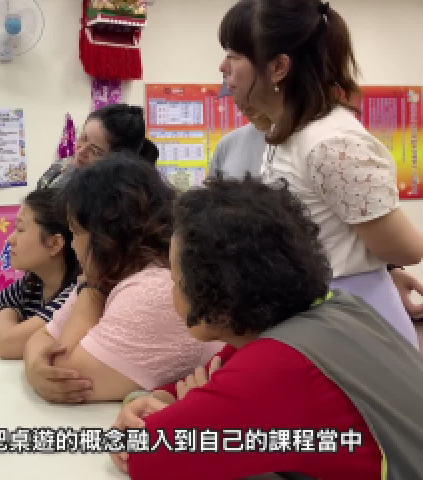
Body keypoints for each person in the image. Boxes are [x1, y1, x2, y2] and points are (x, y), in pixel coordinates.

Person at [112, 174, 423, 479]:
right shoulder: (334, 309)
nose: (171, 293)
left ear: (217, 294)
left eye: (176, 281)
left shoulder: (275, 366)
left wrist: (191, 408)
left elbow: (140, 454)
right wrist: (154, 401)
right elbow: (213, 375)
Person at [218, 0, 423, 347]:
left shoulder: (330, 142)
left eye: (234, 55)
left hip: (351, 324)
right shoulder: (287, 133)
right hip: (314, 315)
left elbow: (406, 250)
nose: (223, 67)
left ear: (278, 67)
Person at [23, 153, 223, 403]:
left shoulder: (153, 288)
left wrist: (92, 292)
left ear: (104, 234)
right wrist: (35, 370)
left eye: (76, 233)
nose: (72, 246)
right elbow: (41, 338)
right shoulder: (107, 276)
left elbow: (66, 376)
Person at [0, 188, 79, 359]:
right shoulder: (32, 284)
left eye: (20, 229)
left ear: (55, 243)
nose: (10, 239)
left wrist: (6, 313)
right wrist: (4, 332)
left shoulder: (75, 295)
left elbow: (7, 346)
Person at [36, 103, 159, 189]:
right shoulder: (60, 168)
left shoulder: (116, 200)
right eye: (83, 138)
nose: (81, 151)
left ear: (120, 160)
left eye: (95, 151)